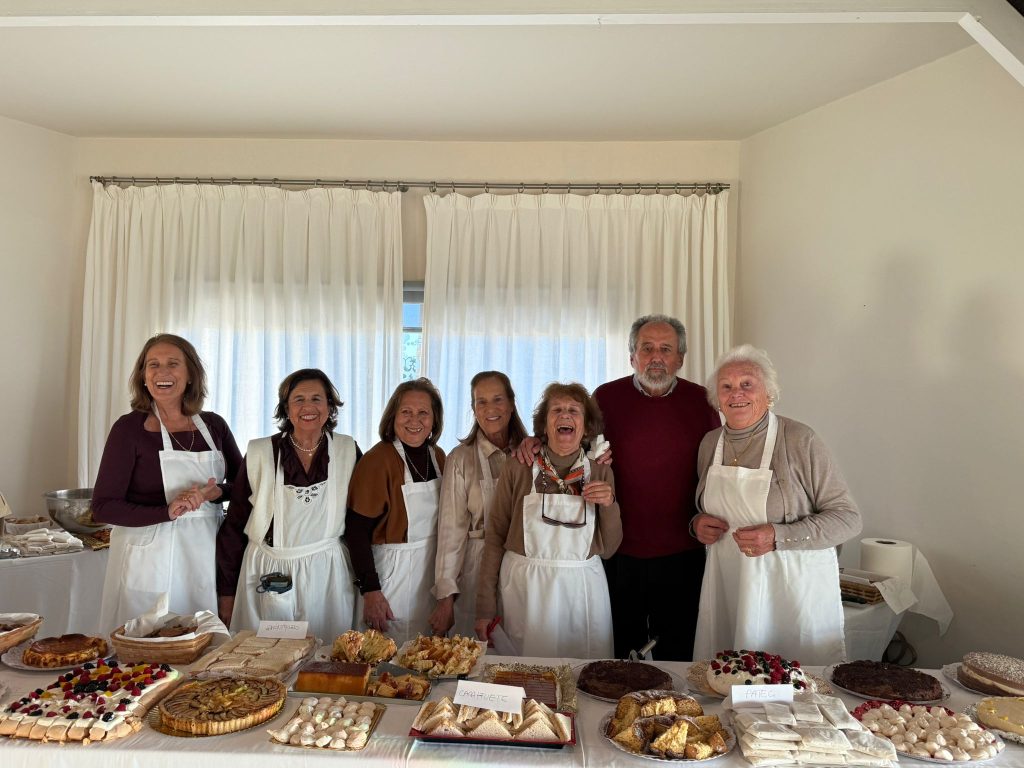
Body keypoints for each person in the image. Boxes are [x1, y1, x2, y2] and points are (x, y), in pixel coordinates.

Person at [692, 344, 862, 664]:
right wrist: (697, 524)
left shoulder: (800, 439)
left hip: (788, 591)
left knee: (790, 679)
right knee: (728, 675)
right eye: (726, 386)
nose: (736, 393)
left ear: (768, 393)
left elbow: (848, 519)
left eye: (747, 384)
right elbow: (703, 509)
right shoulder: (710, 443)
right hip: (729, 585)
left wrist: (777, 536)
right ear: (717, 398)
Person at [592, 315, 721, 660]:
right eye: (647, 348)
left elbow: (716, 470)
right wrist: (531, 442)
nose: (656, 357)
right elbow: (572, 446)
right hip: (618, 551)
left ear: (681, 358)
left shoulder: (703, 401)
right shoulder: (605, 397)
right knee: (621, 658)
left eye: (666, 349)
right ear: (632, 356)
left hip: (682, 551)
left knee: (677, 654)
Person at [94, 333, 242, 631]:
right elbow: (103, 506)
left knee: (202, 642)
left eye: (173, 363)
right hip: (148, 557)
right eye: (153, 365)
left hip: (204, 554)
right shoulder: (129, 429)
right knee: (146, 646)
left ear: (190, 375)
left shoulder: (214, 426)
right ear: (143, 376)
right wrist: (166, 511)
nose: (162, 372)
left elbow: (244, 487)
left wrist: (215, 493)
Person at [477, 382, 621, 658]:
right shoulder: (519, 466)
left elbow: (611, 548)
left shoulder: (600, 471)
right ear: (544, 426)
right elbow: (495, 536)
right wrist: (484, 608)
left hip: (582, 593)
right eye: (556, 410)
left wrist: (609, 504)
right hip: (526, 592)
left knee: (582, 674)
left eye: (574, 410)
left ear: (586, 427)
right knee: (524, 675)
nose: (565, 415)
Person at [216, 369, 360, 640]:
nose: (308, 407)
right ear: (286, 408)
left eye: (317, 399)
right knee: (265, 657)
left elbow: (359, 522)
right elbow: (234, 525)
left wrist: (368, 586)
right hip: (268, 571)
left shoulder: (347, 450)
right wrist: (226, 592)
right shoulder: (260, 453)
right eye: (299, 399)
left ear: (330, 406)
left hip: (328, 575)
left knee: (328, 655)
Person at [346, 378, 446, 645]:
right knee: (387, 656)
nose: (415, 420)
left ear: (434, 420)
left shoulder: (438, 457)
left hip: (429, 576)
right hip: (390, 579)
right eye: (406, 412)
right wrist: (371, 591)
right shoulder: (377, 460)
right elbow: (356, 532)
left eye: (423, 412)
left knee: (427, 655)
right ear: (393, 417)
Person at [430, 371, 529, 637]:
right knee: (477, 650)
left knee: (519, 648)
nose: (489, 409)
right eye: (481, 402)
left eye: (497, 399)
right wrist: (445, 598)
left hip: (522, 566)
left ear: (511, 403)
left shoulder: (531, 453)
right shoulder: (460, 459)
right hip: (476, 567)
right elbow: (451, 533)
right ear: (473, 409)